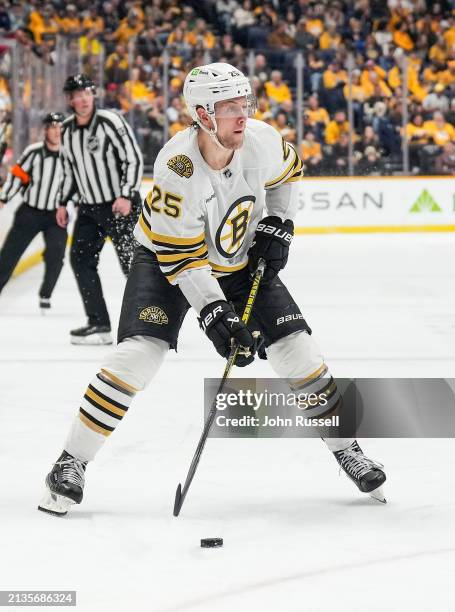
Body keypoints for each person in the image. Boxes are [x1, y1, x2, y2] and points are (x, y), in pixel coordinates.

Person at [38, 63, 386, 517]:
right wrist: (215, 313)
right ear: (203, 115)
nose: (242, 115)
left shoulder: (259, 138)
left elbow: (289, 174)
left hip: (237, 261)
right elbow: (182, 260)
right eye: (229, 108)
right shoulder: (176, 168)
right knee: (138, 355)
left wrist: (281, 222)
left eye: (244, 104)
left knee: (299, 351)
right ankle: (70, 462)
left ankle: (348, 449)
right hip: (166, 261)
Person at [56, 74, 143, 345]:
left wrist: (126, 194)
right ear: (70, 100)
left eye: (86, 93)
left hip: (120, 205)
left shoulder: (110, 121)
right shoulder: (67, 129)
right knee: (80, 259)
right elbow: (69, 169)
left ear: (93, 95)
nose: (82, 99)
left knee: (133, 265)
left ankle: (146, 325)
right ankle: (99, 324)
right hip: (89, 208)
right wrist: (62, 201)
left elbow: (133, 158)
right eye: (76, 95)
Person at [0, 113, 66, 311]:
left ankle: (45, 294)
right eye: (52, 127)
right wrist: (4, 198)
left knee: (57, 254)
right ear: (45, 130)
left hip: (56, 215)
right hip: (30, 212)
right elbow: (17, 177)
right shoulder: (34, 152)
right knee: (9, 256)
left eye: (60, 127)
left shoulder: (71, 155)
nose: (56, 131)